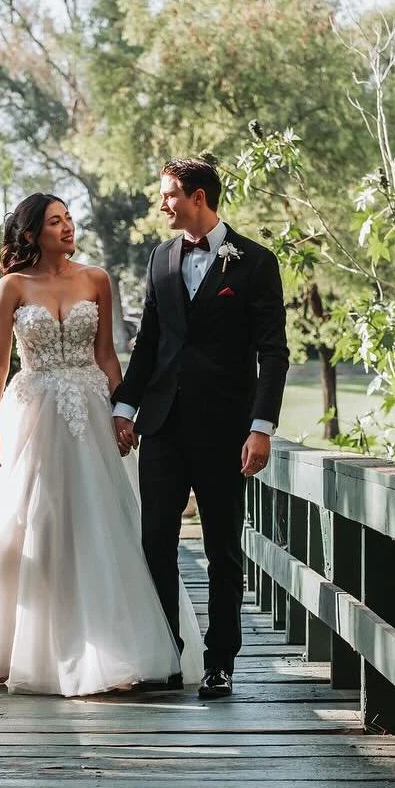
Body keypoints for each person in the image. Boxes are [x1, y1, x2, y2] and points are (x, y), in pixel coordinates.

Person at [0, 192, 201, 696]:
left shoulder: (96, 280)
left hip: (92, 409)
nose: (68, 227)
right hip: (32, 410)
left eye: (69, 218)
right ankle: (18, 649)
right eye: (56, 221)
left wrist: (122, 411)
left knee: (101, 522)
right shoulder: (11, 286)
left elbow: (108, 356)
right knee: (33, 523)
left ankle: (116, 648)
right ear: (32, 234)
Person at [113, 158, 289, 700]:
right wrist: (125, 406)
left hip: (225, 431)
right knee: (154, 542)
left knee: (222, 551)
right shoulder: (160, 257)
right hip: (162, 427)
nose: (162, 204)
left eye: (169, 195)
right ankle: (170, 653)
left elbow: (273, 353)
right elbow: (149, 343)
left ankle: (220, 662)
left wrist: (260, 427)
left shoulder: (255, 263)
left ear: (199, 197)